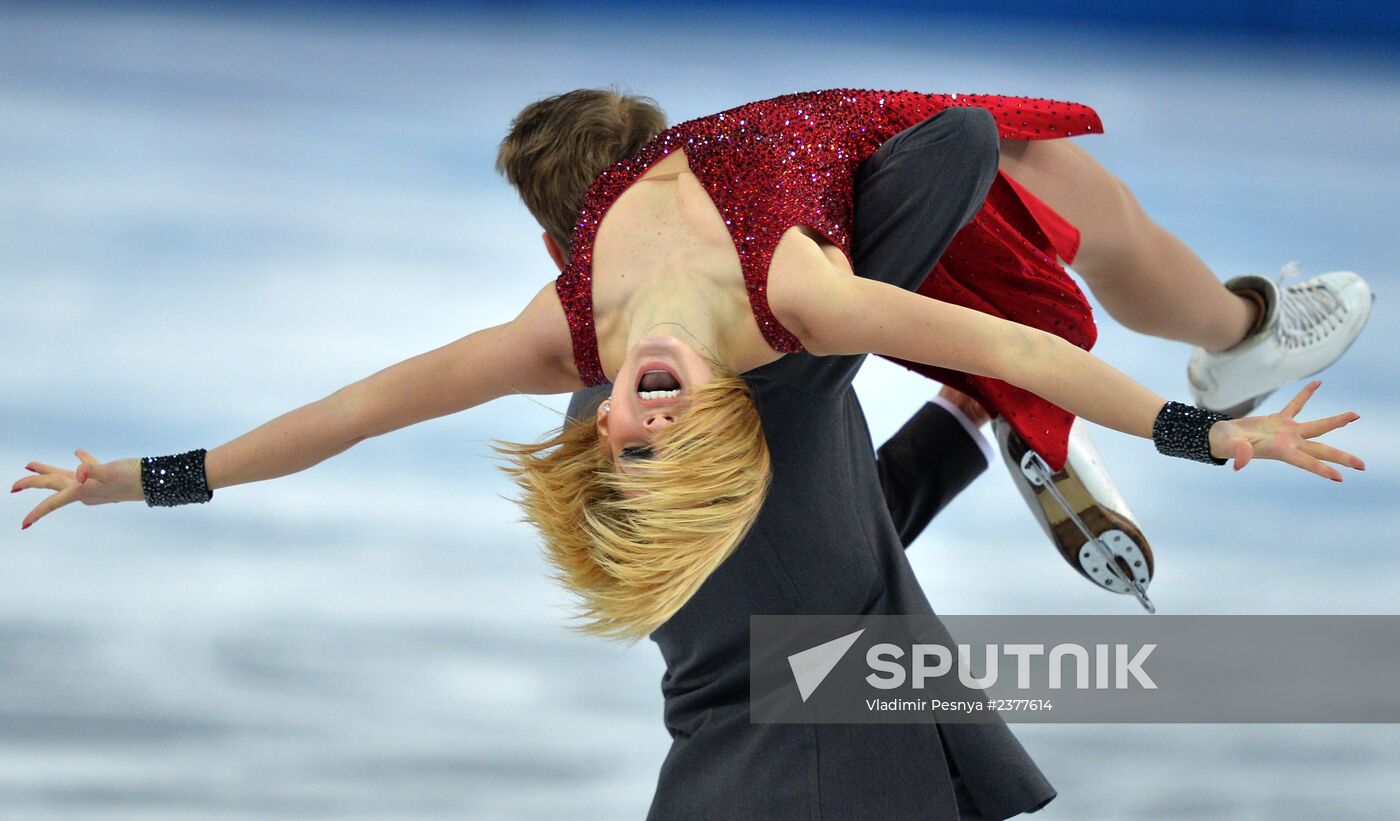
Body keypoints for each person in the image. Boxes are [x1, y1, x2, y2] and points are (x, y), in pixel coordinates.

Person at [15, 87, 1366, 644]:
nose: (643, 416)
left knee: (1083, 216)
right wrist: (1201, 432)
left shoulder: (565, 334)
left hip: (816, 137)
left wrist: (143, 476)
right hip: (879, 161)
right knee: (1083, 209)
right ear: (725, 412)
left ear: (596, 417)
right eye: (680, 435)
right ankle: (1238, 341)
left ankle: (1156, 355)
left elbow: (350, 412)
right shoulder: (799, 304)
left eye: (623, 440)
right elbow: (1016, 338)